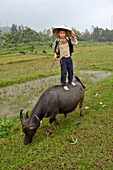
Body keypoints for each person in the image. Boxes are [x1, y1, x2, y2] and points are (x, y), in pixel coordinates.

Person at [52, 25, 78, 90]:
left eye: (63, 33)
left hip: (69, 57)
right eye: (61, 33)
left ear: (65, 34)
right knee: (63, 72)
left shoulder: (68, 40)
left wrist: (73, 36)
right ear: (58, 34)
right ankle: (63, 84)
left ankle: (70, 81)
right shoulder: (57, 42)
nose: (62, 34)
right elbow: (55, 49)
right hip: (62, 59)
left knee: (70, 70)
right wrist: (55, 54)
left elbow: (75, 43)